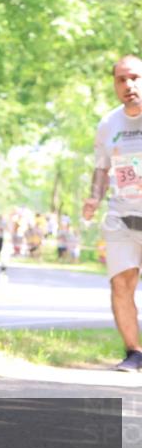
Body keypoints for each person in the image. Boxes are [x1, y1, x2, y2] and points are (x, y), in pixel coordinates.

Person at [82, 54, 142, 371]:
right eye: (121, 79)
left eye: (134, 77)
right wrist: (93, 199)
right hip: (122, 216)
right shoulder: (109, 124)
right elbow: (101, 169)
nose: (128, 85)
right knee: (121, 284)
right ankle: (134, 352)